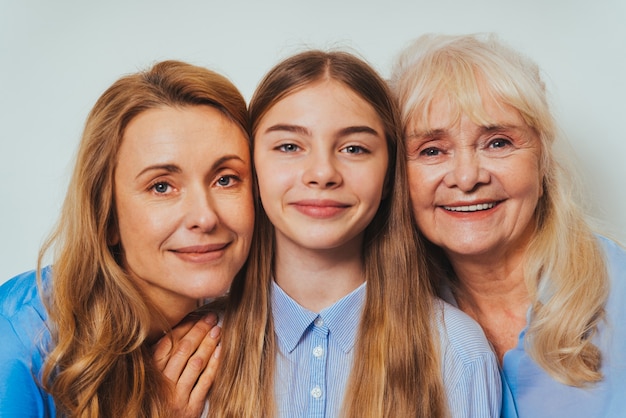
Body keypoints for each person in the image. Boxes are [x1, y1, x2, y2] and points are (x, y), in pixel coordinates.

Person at [208, 50, 501, 417]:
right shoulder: (197, 350)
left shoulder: (458, 352)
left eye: (354, 148)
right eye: (289, 146)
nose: (322, 173)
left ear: (389, 174)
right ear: (251, 168)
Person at [389, 33, 626, 418]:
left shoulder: (620, 291)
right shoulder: (392, 314)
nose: (466, 178)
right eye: (432, 150)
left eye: (497, 142)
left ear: (543, 160)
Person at [0, 60, 255, 417]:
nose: (205, 217)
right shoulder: (16, 342)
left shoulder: (244, 318)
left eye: (225, 179)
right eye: (161, 186)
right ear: (107, 218)